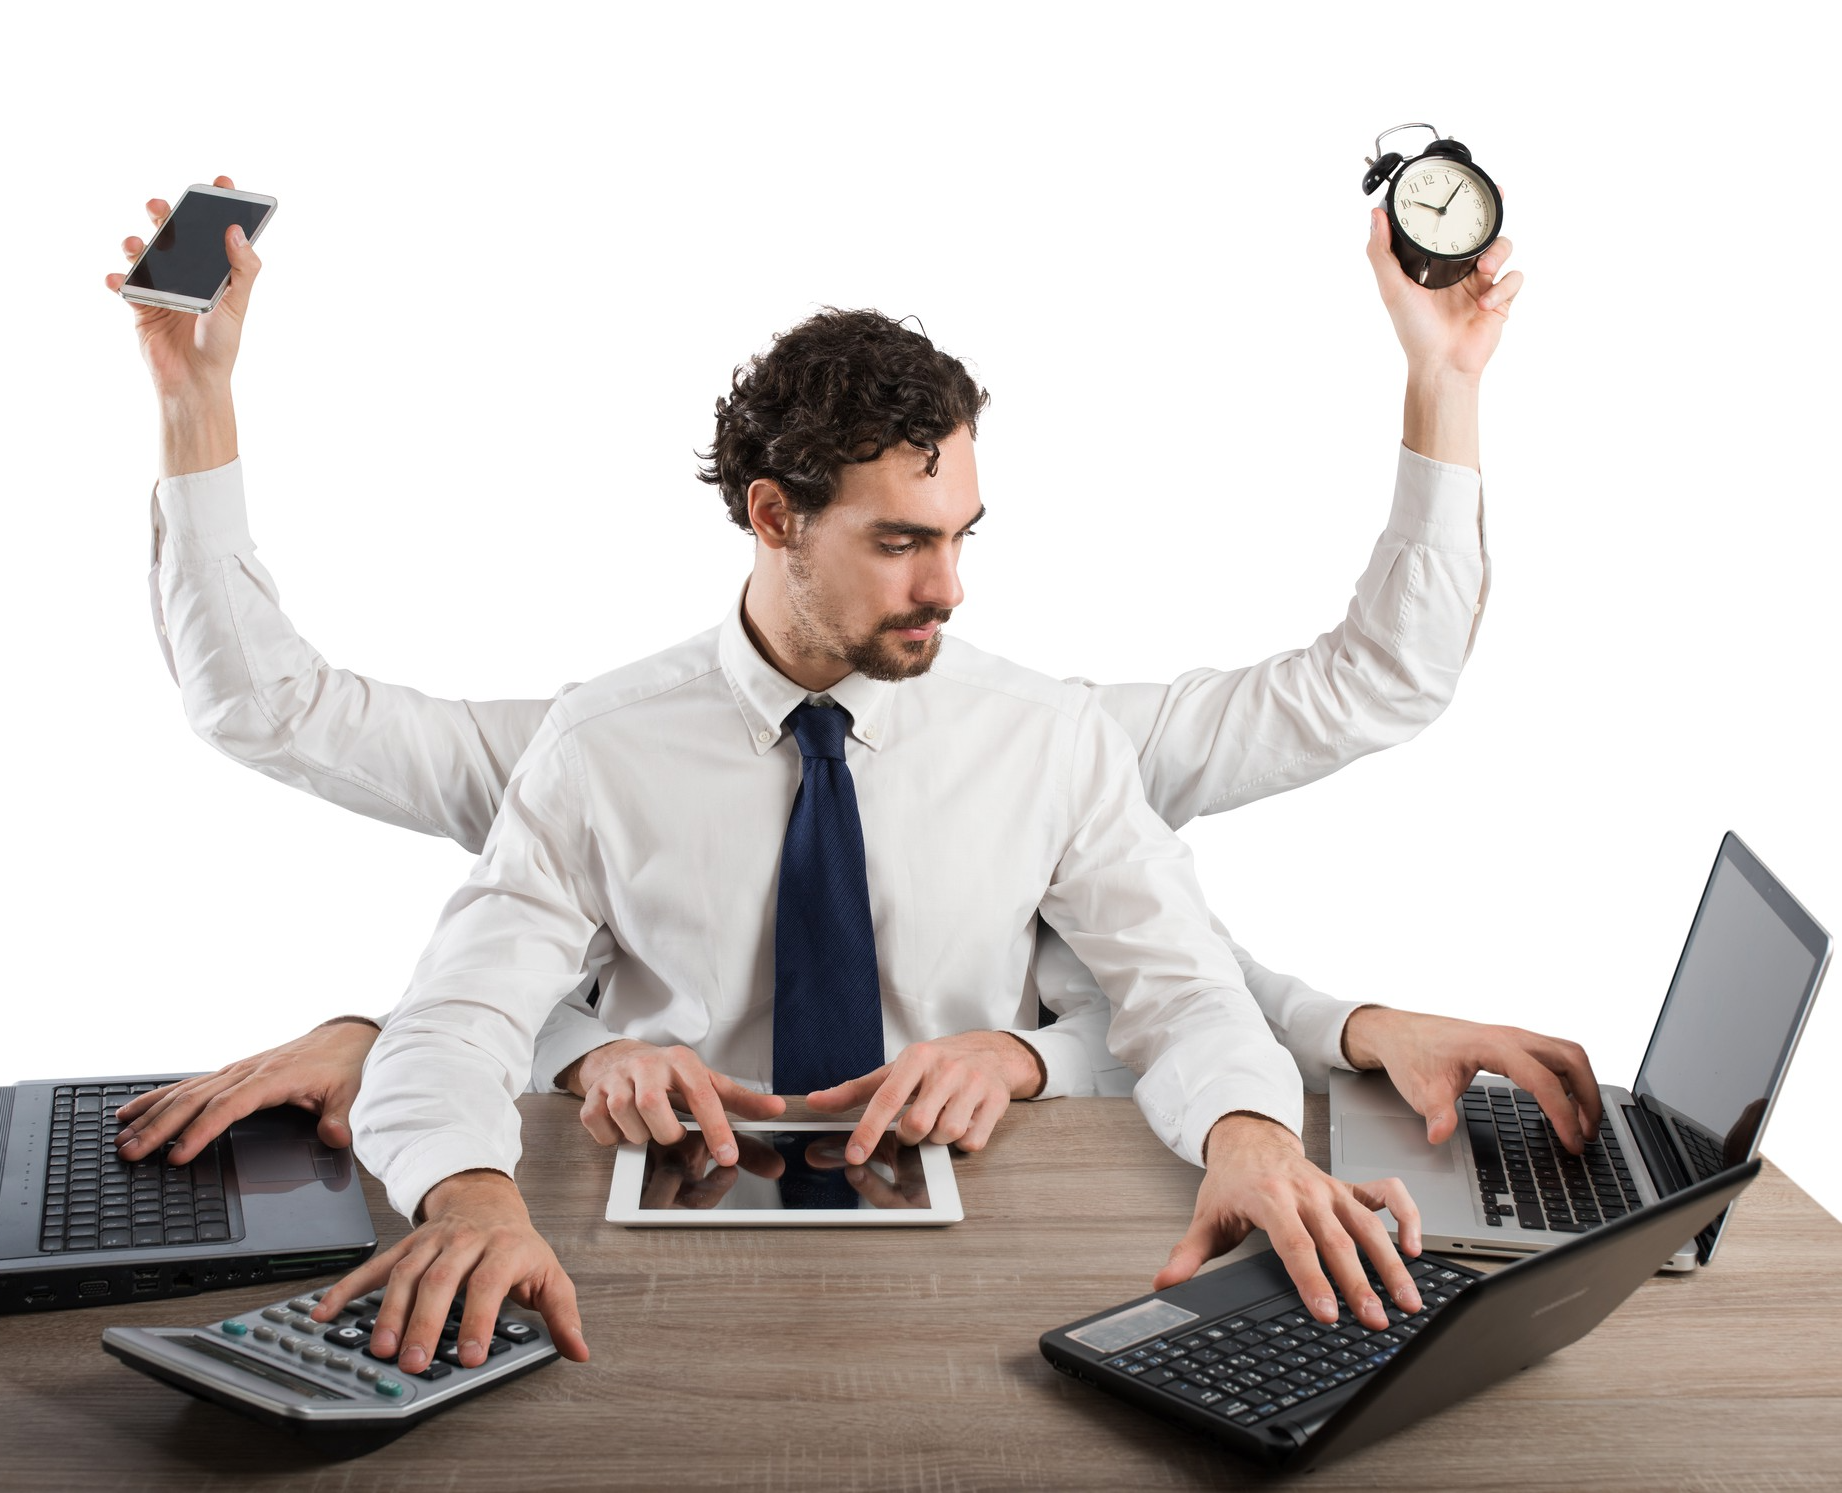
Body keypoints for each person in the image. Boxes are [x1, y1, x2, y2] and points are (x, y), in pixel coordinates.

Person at [105, 182, 1593, 1371]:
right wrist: (195, 400)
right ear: (771, 515)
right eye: (898, 541)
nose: (949, 586)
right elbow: (386, 877)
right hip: (641, 1282)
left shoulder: (1046, 735)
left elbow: (1187, 971)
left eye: (963, 534)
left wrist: (1442, 380)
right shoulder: (598, 747)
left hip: (1005, 1269)